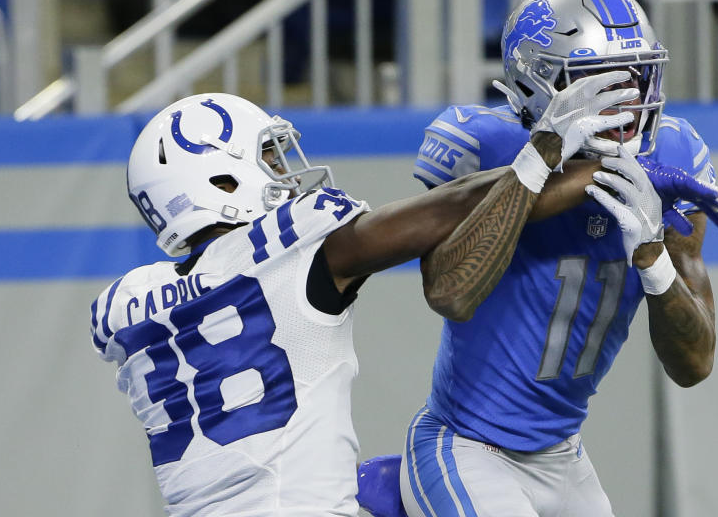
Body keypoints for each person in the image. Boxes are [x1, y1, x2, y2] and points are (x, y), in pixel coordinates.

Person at [89, 87, 639, 517]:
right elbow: (448, 211)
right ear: (221, 179)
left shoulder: (130, 305)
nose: (285, 171)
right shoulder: (288, 248)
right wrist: (555, 158)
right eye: (268, 158)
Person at [400, 0, 718, 517]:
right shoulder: (484, 143)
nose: (627, 104)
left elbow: (694, 364)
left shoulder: (677, 149)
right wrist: (544, 157)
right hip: (467, 447)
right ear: (541, 86)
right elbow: (449, 292)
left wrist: (653, 258)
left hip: (564, 457)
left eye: (636, 78)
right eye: (598, 83)